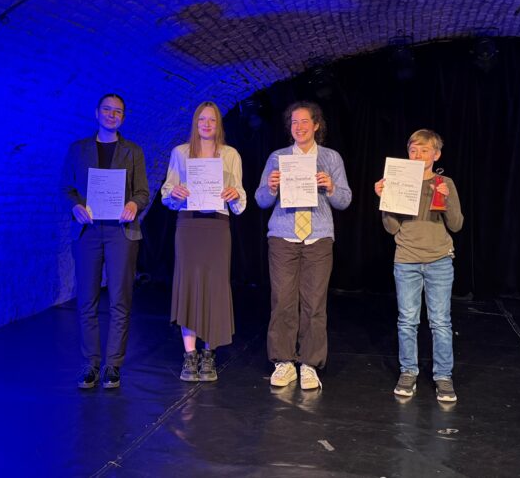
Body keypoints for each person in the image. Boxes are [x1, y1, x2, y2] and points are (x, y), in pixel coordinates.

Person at [255, 101, 352, 391]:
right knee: (283, 301)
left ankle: (309, 364)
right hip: (283, 237)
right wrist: (271, 187)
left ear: (316, 125)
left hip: (317, 237)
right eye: (294, 122)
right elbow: (260, 200)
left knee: (314, 303)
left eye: (304, 121)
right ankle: (284, 362)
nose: (299, 127)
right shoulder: (278, 157)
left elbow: (345, 200)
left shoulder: (330, 157)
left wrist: (331, 187)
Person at [61, 93, 150, 389]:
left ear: (123, 117)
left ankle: (113, 365)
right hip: (87, 230)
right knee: (86, 298)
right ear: (96, 113)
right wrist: (75, 206)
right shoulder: (78, 150)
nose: (112, 115)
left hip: (120, 232)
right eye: (107, 110)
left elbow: (142, 191)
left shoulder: (133, 151)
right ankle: (90, 363)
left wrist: (134, 204)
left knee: (120, 299)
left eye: (118, 112)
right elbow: (66, 188)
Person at [374, 129, 463, 402]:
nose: (418, 155)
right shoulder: (400, 181)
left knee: (440, 322)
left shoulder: (445, 182)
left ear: (436, 154)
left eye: (424, 150)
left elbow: (456, 224)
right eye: (413, 150)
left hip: (439, 260)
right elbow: (391, 228)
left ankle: (443, 376)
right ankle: (408, 371)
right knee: (407, 321)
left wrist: (446, 199)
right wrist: (385, 200)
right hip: (406, 260)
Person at [161, 101, 246, 382]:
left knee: (215, 287)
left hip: (217, 226)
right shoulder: (180, 153)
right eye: (202, 119)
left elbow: (240, 195)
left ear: (219, 124)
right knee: (188, 284)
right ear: (195, 123)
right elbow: (167, 192)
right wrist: (175, 193)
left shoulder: (230, 154)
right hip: (189, 225)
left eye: (212, 120)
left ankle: (209, 354)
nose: (207, 124)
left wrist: (235, 194)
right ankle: (190, 355)